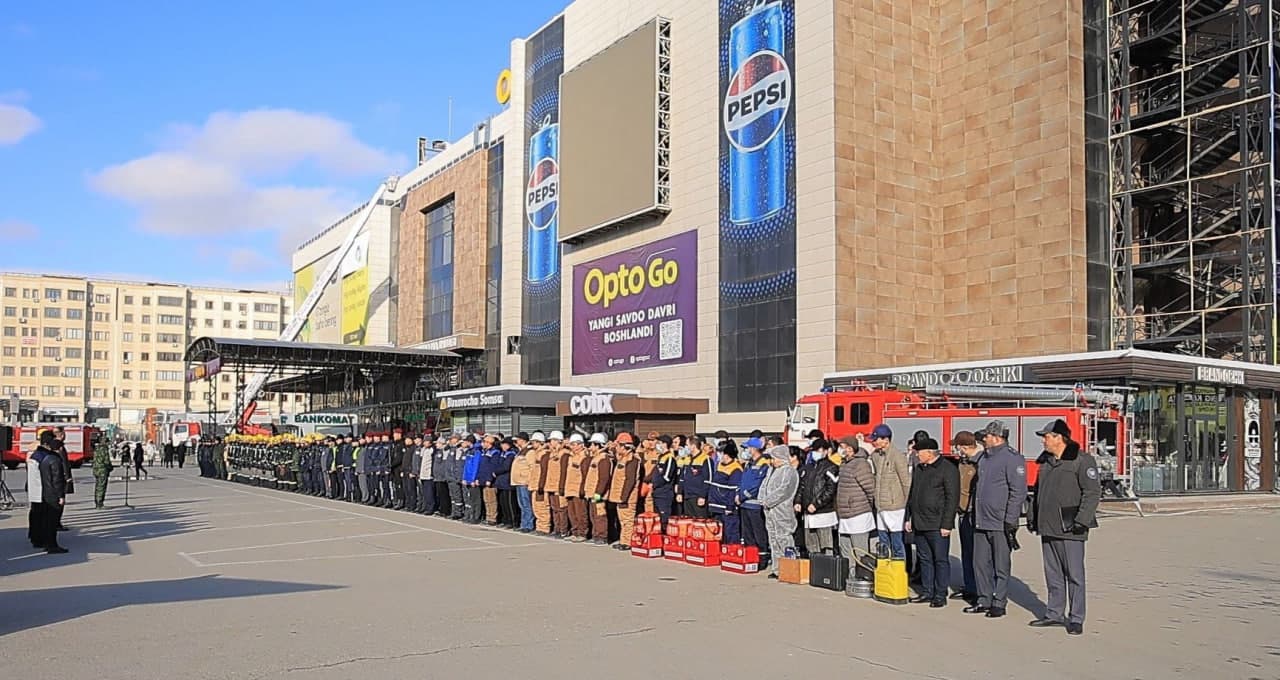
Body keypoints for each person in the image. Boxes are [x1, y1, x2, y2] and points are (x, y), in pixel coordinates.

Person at [1028, 419, 1100, 636]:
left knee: (1074, 575)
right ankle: (1054, 613)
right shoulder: (1046, 462)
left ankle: (1076, 617)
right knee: (1053, 574)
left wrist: (1081, 520)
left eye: (1047, 436)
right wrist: (1033, 517)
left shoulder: (1081, 460)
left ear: (1059, 437)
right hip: (1047, 526)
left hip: (1071, 527)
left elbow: (1092, 492)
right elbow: (1037, 493)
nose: (1043, 440)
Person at [966, 420, 1027, 618]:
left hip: (1000, 522)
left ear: (997, 438)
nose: (984, 439)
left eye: (987, 436)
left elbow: (1018, 492)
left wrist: (1011, 520)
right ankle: (983, 599)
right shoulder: (984, 457)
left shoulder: (1012, 459)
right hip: (981, 519)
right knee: (980, 563)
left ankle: (999, 602)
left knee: (1001, 564)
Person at [905, 437, 959, 607]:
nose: (917, 455)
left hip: (937, 524)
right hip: (919, 521)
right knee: (925, 558)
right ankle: (927, 591)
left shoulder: (947, 469)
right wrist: (909, 517)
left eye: (919, 452)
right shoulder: (920, 469)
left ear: (929, 452)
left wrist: (947, 524)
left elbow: (952, 498)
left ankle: (940, 594)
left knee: (940, 559)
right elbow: (913, 494)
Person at [835, 435, 877, 567]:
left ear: (850, 448)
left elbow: (870, 488)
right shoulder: (844, 464)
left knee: (860, 550)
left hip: (859, 513)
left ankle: (863, 577)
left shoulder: (861, 464)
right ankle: (850, 577)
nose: (839, 450)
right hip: (845, 515)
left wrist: (865, 505)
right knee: (845, 547)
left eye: (842, 447)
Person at [870, 424, 910, 559]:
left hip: (895, 507)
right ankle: (885, 573)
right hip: (880, 505)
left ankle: (899, 575)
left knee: (897, 542)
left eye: (876, 439)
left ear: (886, 440)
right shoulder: (875, 456)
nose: (873, 442)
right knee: (883, 543)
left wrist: (905, 503)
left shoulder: (898, 456)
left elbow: (906, 482)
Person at [759, 445, 800, 579]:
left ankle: (790, 568)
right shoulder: (772, 470)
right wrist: (762, 499)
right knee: (773, 539)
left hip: (782, 511)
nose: (772, 461)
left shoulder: (789, 471)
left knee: (784, 539)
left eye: (774, 458)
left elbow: (783, 490)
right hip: (770, 511)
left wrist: (768, 501)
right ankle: (777, 568)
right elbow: (764, 485)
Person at [951, 431, 982, 604]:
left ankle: (979, 589)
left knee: (977, 554)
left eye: (957, 446)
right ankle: (969, 586)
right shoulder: (963, 463)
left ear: (963, 446)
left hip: (974, 514)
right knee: (966, 552)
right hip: (962, 512)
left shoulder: (979, 462)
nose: (956, 450)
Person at [795, 438, 839, 554]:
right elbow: (802, 486)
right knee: (811, 545)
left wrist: (816, 504)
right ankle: (814, 568)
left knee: (826, 545)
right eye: (813, 450)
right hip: (808, 513)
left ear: (826, 451)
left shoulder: (831, 467)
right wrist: (798, 501)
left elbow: (830, 490)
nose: (815, 453)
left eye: (818, 450)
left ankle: (827, 568)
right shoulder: (808, 468)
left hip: (824, 513)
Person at [31, 431, 68, 554]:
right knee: (49, 520)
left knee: (43, 519)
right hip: (47, 492)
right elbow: (56, 480)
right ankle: (50, 544)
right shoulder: (52, 460)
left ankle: (40, 539)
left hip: (41, 491)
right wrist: (61, 495)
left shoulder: (42, 457)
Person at [736, 438, 771, 566]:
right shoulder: (748, 463)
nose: (746, 451)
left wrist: (743, 496)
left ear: (754, 448)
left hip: (755, 505)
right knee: (747, 534)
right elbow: (742, 480)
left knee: (759, 533)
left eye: (747, 448)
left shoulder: (764, 463)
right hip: (744, 504)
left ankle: (762, 558)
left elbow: (758, 485)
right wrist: (738, 494)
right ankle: (751, 557)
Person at [607, 432, 641, 550]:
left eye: (618, 445)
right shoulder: (622, 458)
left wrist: (624, 497)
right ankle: (623, 540)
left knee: (627, 520)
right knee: (622, 520)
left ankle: (627, 542)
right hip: (619, 495)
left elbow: (629, 481)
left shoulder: (632, 461)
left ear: (624, 447)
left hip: (627, 497)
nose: (616, 448)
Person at [708, 439, 744, 544]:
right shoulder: (719, 465)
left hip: (726, 508)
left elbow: (733, 490)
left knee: (730, 533)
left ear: (726, 455)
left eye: (720, 453)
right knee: (718, 533)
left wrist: (730, 506)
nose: (718, 456)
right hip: (716, 506)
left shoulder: (736, 469)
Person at [584, 433, 615, 544]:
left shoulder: (603, 459)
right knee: (593, 515)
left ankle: (602, 536)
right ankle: (596, 534)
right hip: (592, 492)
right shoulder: (596, 458)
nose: (590, 447)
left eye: (592, 444)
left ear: (597, 445)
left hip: (598, 493)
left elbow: (604, 478)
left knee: (599, 515)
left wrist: (599, 493)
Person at [563, 434, 592, 541]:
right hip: (569, 488)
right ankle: (575, 531)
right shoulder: (571, 456)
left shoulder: (584, 457)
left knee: (581, 513)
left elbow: (585, 475)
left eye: (574, 444)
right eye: (571, 444)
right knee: (572, 513)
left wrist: (582, 488)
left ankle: (582, 533)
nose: (572, 447)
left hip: (578, 488)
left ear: (581, 445)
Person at [649, 435, 678, 532]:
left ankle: (666, 539)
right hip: (657, 493)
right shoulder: (661, 457)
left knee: (664, 518)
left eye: (659, 443)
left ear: (665, 444)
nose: (657, 445)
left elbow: (666, 477)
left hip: (664, 493)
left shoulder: (670, 458)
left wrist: (655, 484)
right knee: (657, 519)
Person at [677, 437, 713, 518]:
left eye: (687, 445)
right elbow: (682, 477)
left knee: (700, 521)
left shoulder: (705, 459)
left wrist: (703, 496)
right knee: (689, 521)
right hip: (687, 496)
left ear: (693, 446)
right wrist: (680, 492)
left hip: (698, 497)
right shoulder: (687, 459)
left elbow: (709, 479)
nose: (685, 447)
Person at [511, 433, 535, 532]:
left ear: (523, 440)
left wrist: (528, 480)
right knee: (521, 504)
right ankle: (523, 524)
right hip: (518, 481)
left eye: (518, 440)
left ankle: (528, 525)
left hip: (524, 481)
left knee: (526, 504)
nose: (516, 442)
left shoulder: (529, 452)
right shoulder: (520, 451)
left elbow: (532, 467)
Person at [92, 436, 114, 509]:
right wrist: (110, 467)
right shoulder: (104, 449)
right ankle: (100, 503)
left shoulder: (97, 449)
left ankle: (97, 502)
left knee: (98, 487)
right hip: (103, 470)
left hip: (96, 470)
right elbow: (106, 461)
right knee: (102, 487)